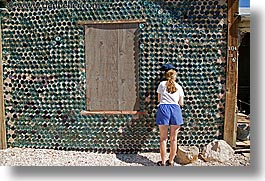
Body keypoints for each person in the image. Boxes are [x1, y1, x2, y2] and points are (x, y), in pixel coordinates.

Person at [156, 68, 185, 166]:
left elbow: (159, 100)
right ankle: (171, 161)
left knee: (163, 138)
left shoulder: (161, 84)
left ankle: (163, 162)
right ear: (175, 77)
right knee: (174, 138)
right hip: (175, 109)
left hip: (164, 109)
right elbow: (181, 103)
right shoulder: (179, 87)